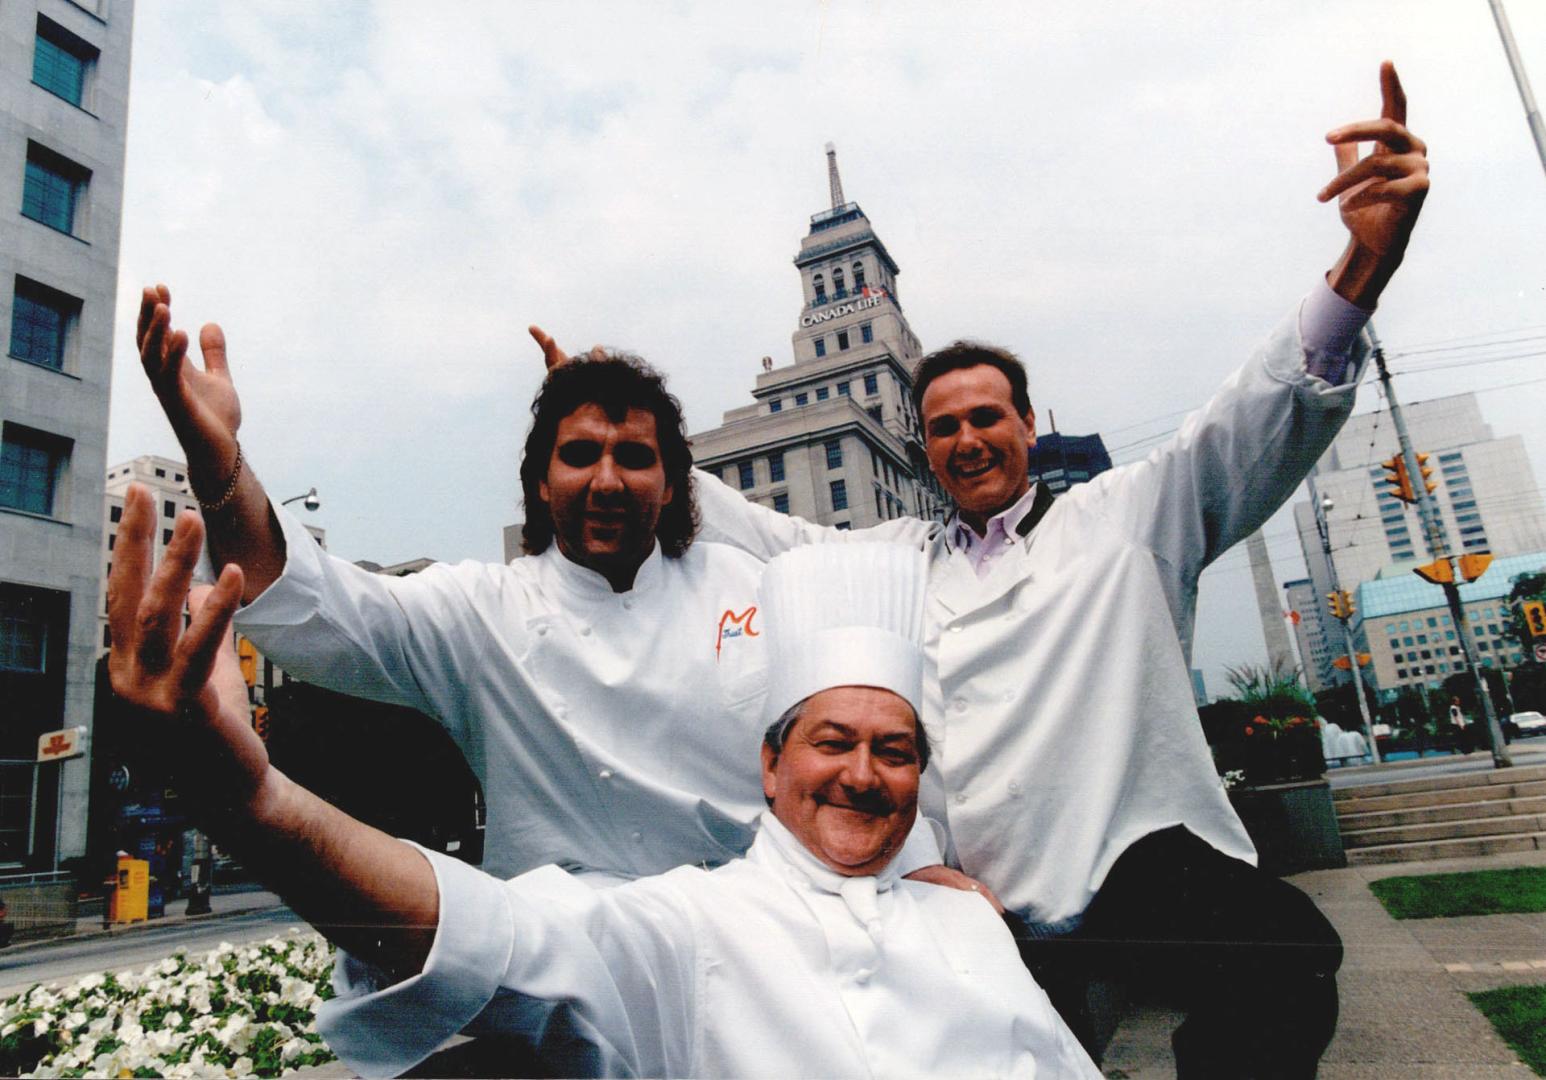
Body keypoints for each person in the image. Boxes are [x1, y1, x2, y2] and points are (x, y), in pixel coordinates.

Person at [652, 62, 1429, 1077]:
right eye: (942, 429)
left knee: (1280, 958)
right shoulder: (888, 562)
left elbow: (1251, 418)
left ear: (1025, 422)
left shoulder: (1127, 518)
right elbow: (759, 537)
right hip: (973, 897)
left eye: (986, 418)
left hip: (1134, 863)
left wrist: (1361, 268)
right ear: (921, 447)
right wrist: (636, 446)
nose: (967, 441)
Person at [106, 507, 1098, 1078]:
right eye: (833, 741)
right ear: (769, 762)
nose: (863, 774)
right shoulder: (684, 924)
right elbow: (480, 934)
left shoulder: (967, 923)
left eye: (894, 750)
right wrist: (258, 804)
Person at [132, 328, 957, 886]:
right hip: (571, 984)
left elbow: (858, 752)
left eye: (635, 457)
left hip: (759, 962)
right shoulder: (481, 611)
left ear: (672, 483)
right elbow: (308, 601)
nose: (606, 480)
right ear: (539, 481)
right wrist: (222, 464)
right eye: (579, 456)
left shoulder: (756, 590)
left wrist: (920, 875)